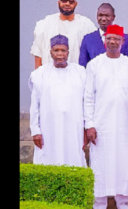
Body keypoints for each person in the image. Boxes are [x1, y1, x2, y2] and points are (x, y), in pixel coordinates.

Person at [83, 25, 128, 209]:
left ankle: (123, 207)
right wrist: (89, 124)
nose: (113, 42)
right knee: (100, 164)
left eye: (117, 39)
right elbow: (88, 97)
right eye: (109, 38)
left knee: (124, 163)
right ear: (104, 41)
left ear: (123, 42)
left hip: (125, 123)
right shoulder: (95, 65)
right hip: (101, 124)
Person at [28, 34, 86, 167]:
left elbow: (85, 102)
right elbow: (34, 105)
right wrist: (35, 130)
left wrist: (86, 127)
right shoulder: (40, 74)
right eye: (56, 50)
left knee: (73, 158)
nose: (60, 54)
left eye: (63, 50)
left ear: (68, 52)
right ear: (50, 52)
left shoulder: (80, 72)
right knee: (48, 158)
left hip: (74, 127)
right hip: (48, 128)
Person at [31, 0, 96, 68]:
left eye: (71, 1)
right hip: (49, 77)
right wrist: (38, 76)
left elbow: (94, 54)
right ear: (59, 3)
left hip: (77, 77)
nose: (67, 4)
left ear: (75, 4)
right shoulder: (45, 23)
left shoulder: (86, 24)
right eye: (64, 1)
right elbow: (38, 52)